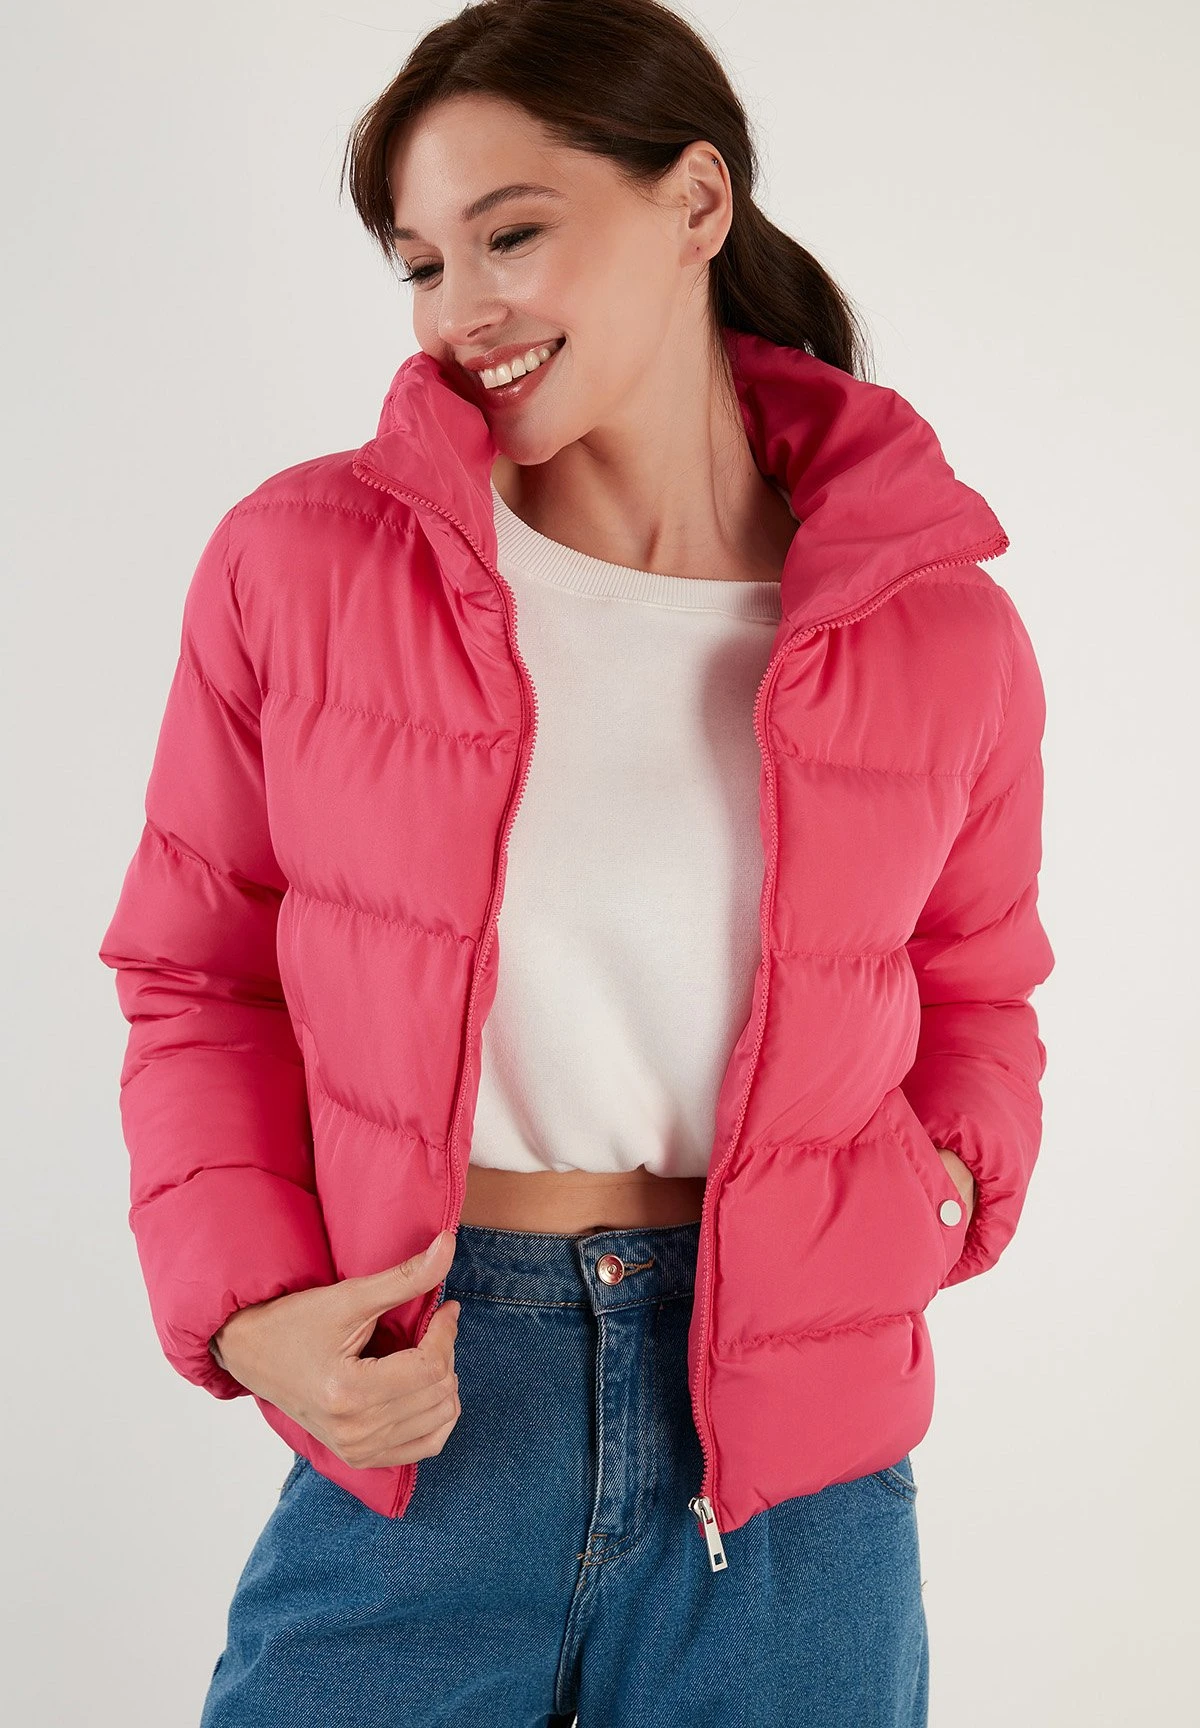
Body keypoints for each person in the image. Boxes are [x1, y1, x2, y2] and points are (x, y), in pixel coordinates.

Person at [97, 1, 1054, 1722]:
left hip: (792, 1470)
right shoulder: (301, 565)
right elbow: (195, 977)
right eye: (419, 262)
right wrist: (250, 1317)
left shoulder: (940, 630)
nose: (457, 307)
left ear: (697, 202)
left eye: (512, 234)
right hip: (429, 1406)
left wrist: (932, 1208)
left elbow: (978, 991)